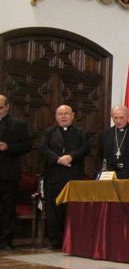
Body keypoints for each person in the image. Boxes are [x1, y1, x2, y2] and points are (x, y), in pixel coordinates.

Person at [40, 105, 90, 249]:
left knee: (71, 210)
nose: (63, 117)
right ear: (56, 117)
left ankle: (72, 240)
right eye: (60, 114)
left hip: (73, 176)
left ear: (73, 115)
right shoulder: (49, 132)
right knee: (53, 210)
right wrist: (58, 159)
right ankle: (56, 241)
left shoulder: (81, 133)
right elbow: (43, 148)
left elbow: (85, 148)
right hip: (53, 176)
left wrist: (71, 157)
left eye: (66, 114)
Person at [0, 95, 31, 250]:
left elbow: (27, 146)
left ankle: (6, 241)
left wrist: (8, 147)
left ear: (7, 107)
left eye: (0, 108)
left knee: (8, 209)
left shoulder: (18, 125)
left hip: (8, 173)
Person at [97, 105, 129, 179]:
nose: (118, 121)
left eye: (121, 118)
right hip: (110, 174)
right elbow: (101, 154)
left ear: (128, 117)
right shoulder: (104, 134)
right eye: (115, 118)